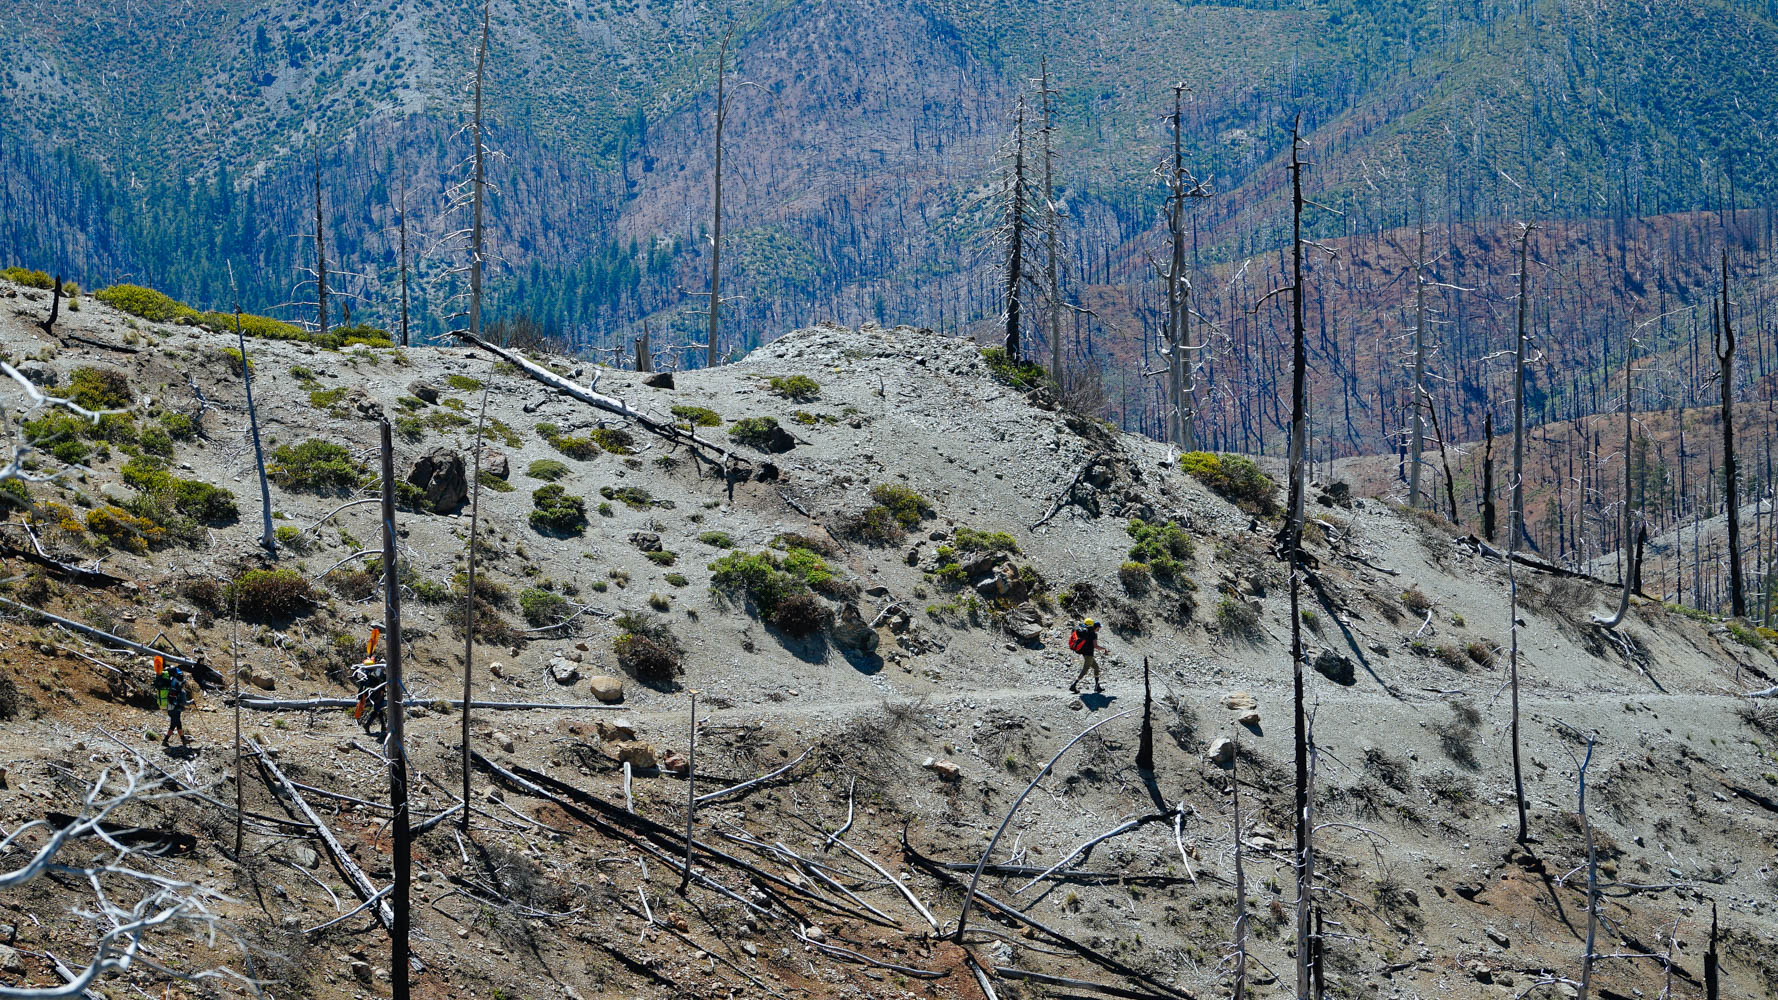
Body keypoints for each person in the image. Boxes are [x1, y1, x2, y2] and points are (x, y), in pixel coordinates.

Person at [352, 627, 387, 736]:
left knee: (379, 709)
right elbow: (382, 682)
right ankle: (369, 724)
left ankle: (382, 726)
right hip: (377, 690)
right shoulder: (380, 671)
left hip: (366, 690)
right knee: (378, 708)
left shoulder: (368, 669)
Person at [152, 656, 192, 746]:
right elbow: (184, 702)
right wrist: (191, 702)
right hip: (174, 706)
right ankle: (165, 740)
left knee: (177, 723)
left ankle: (182, 739)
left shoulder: (171, 685)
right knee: (174, 723)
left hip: (169, 705)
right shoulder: (179, 690)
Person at [1067, 618, 1105, 694]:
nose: (1099, 629)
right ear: (1096, 627)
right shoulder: (1093, 634)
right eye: (1099, 627)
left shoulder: (1086, 632)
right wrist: (1104, 649)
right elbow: (1096, 646)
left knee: (1096, 668)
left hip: (1085, 653)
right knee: (1085, 670)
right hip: (1089, 654)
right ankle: (1074, 685)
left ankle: (1097, 686)